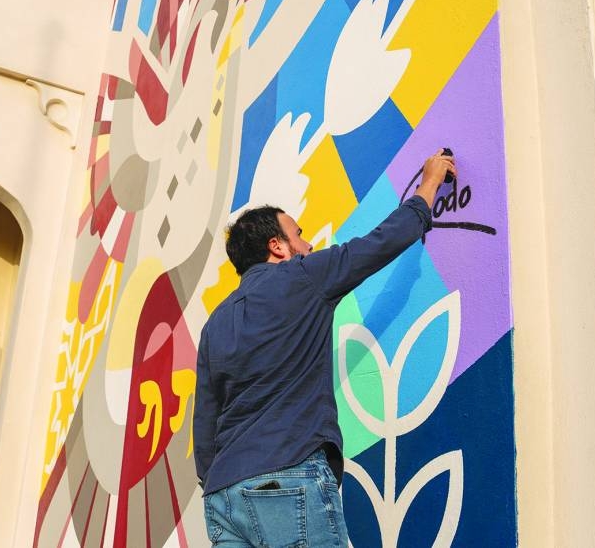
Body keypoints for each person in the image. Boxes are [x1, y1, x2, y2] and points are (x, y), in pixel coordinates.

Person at [193, 149, 456, 547]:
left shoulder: (214, 325)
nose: (308, 243)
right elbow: (380, 243)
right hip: (288, 472)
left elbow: (205, 423)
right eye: (298, 234)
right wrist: (430, 184)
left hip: (223, 497)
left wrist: (220, 480)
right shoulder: (303, 277)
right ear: (278, 247)